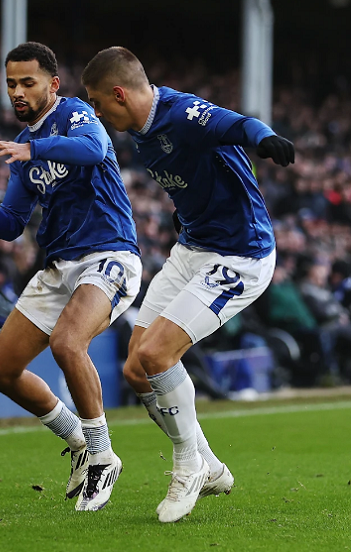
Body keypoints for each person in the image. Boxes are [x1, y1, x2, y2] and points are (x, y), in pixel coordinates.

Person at [81, 46, 294, 522]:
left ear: (119, 93)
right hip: (192, 250)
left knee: (158, 354)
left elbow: (237, 124)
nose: (95, 112)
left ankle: (187, 466)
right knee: (137, 368)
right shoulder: (138, 132)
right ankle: (211, 465)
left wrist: (267, 138)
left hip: (241, 254)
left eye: (97, 102)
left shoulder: (183, 113)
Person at [0, 42, 141, 511]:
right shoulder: (24, 148)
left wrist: (32, 148)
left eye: (27, 82)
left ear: (53, 84)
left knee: (68, 343)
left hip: (108, 255)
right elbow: (11, 224)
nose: (17, 91)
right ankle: (76, 440)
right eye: (11, 83)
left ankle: (103, 455)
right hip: (60, 266)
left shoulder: (74, 115)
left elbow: (93, 150)